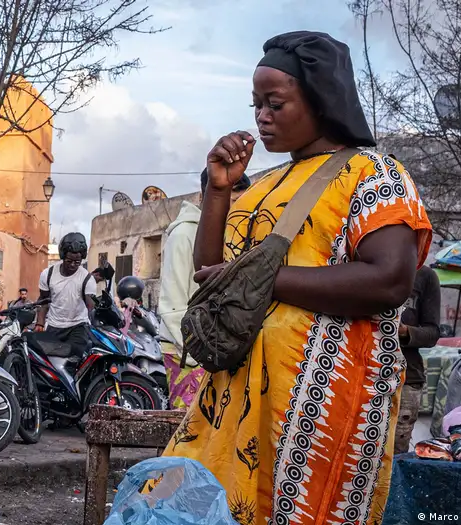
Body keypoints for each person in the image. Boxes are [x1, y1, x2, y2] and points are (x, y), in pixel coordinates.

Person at [161, 31, 432, 525]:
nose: (261, 116)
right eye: (256, 104)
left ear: (320, 101)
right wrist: (219, 193)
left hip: (315, 406)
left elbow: (390, 279)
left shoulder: (374, 175)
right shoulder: (265, 184)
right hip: (235, 397)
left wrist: (267, 281)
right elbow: (214, 276)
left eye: (275, 103)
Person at [157, 170, 251, 409]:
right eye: (230, 201)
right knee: (186, 431)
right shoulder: (183, 235)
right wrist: (195, 353)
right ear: (205, 196)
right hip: (187, 351)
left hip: (216, 352)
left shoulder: (231, 233)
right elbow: (173, 305)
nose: (235, 209)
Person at [394, 265, 441, 454]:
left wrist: (406, 332)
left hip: (406, 377)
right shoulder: (361, 263)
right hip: (361, 373)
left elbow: (432, 333)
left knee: (397, 451)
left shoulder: (424, 275)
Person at [35, 233, 97, 359]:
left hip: (78, 326)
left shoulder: (87, 279)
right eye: (69, 261)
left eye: (77, 262)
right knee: (50, 362)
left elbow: (91, 305)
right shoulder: (48, 274)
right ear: (63, 257)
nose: (73, 265)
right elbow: (43, 300)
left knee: (74, 358)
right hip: (54, 326)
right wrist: (40, 323)